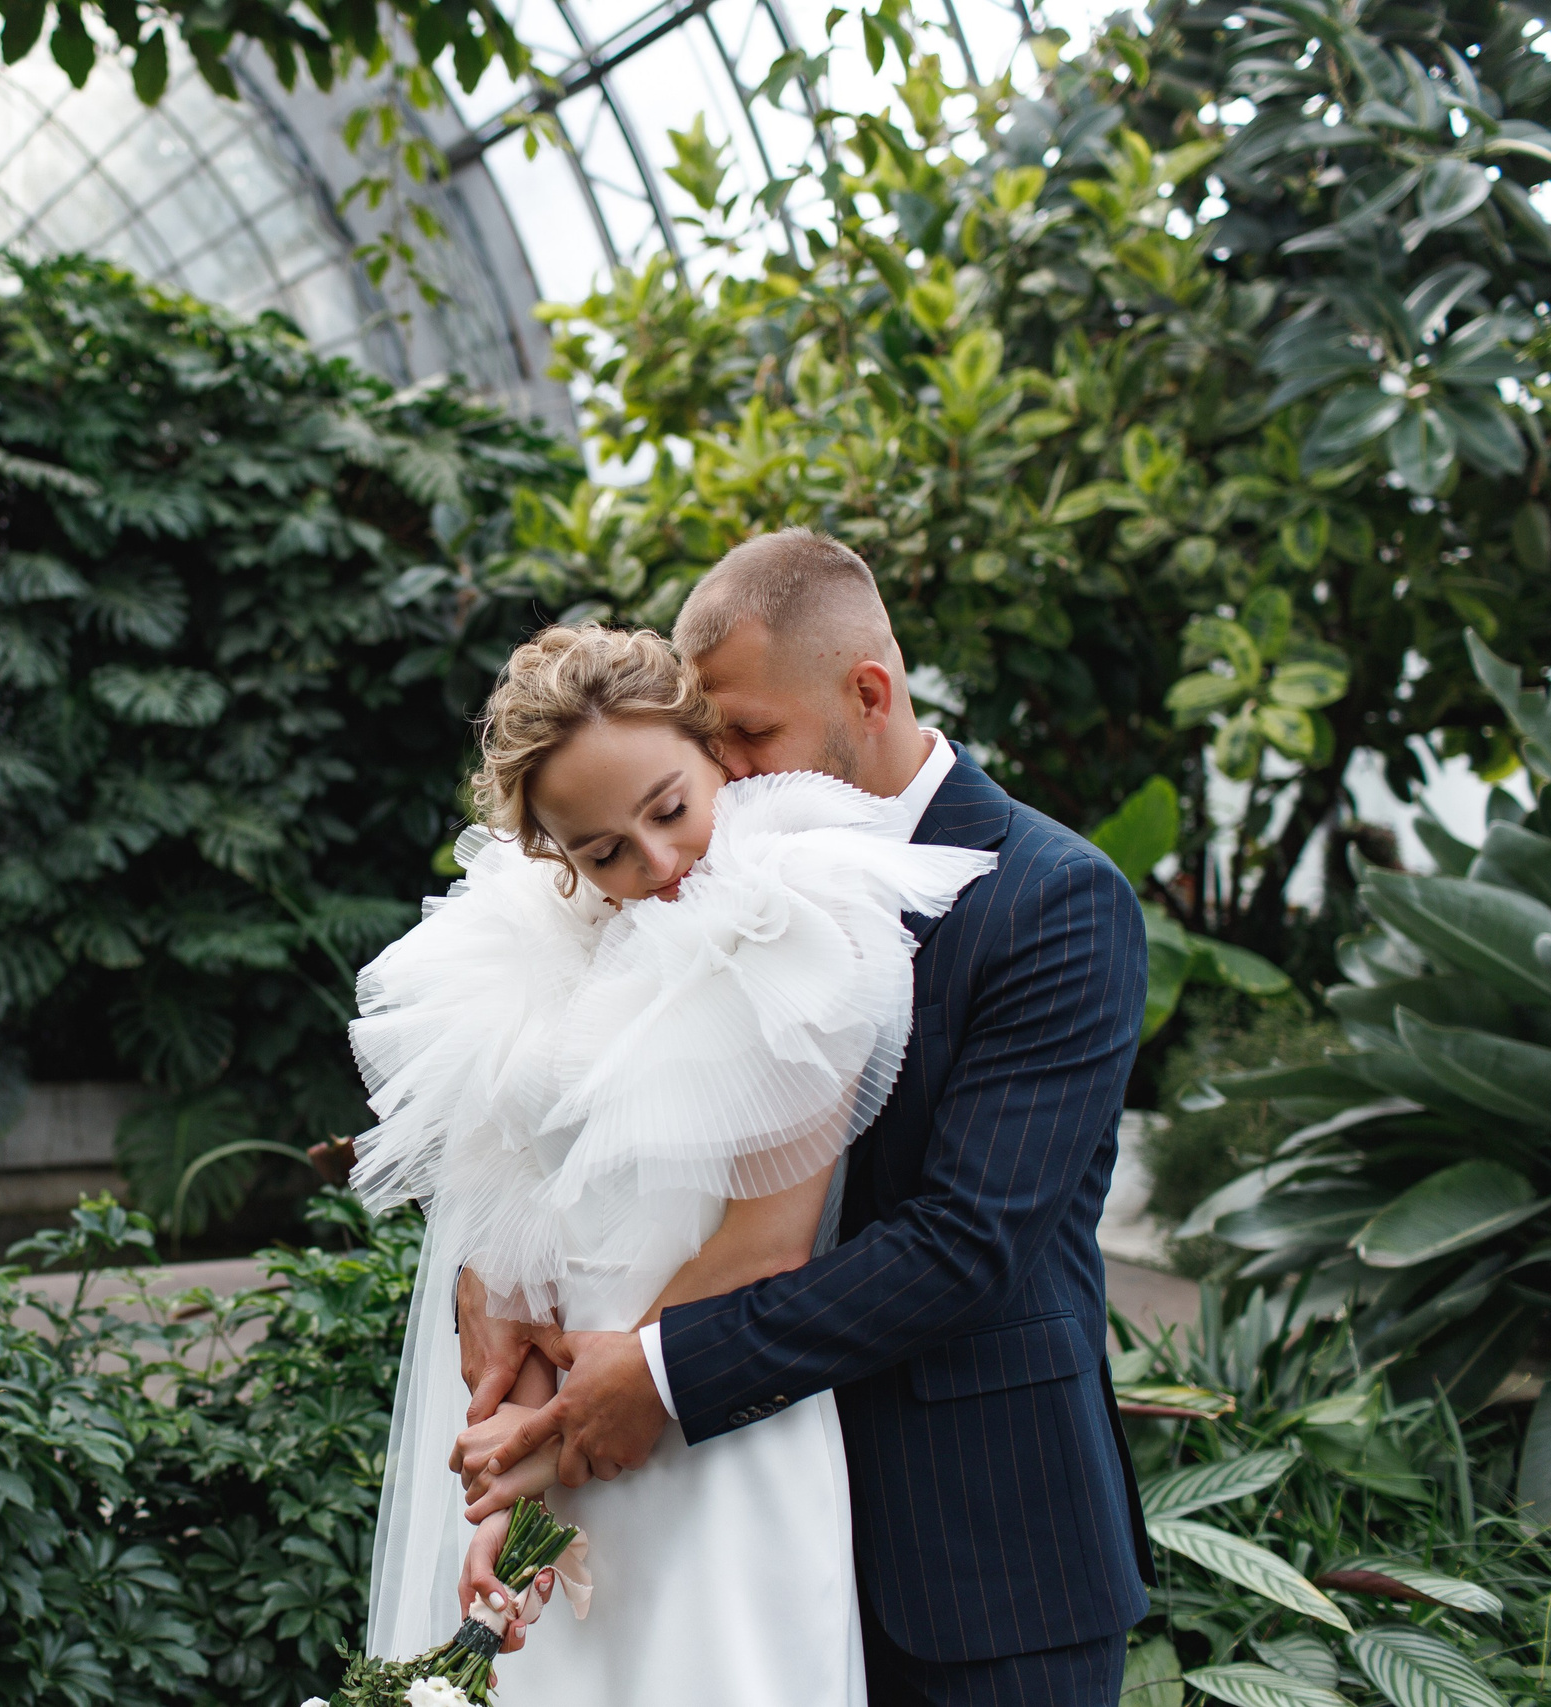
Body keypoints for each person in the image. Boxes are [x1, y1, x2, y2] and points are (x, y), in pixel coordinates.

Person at [466, 529, 1155, 1706]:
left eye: (744, 733)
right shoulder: (684, 883)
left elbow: (965, 1241)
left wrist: (655, 1374)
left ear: (867, 695)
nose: (722, 770)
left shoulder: (1052, 898)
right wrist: (496, 1281)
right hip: (732, 1535)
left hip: (979, 1550)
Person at [351, 620, 998, 1705]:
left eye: (669, 809)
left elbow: (765, 1245)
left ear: (717, 757)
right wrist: (508, 1494)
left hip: (716, 1427)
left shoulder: (798, 918)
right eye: (602, 851)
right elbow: (523, 1250)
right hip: (557, 1443)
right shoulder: (522, 953)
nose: (656, 866)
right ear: (554, 855)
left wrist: (556, 1434)